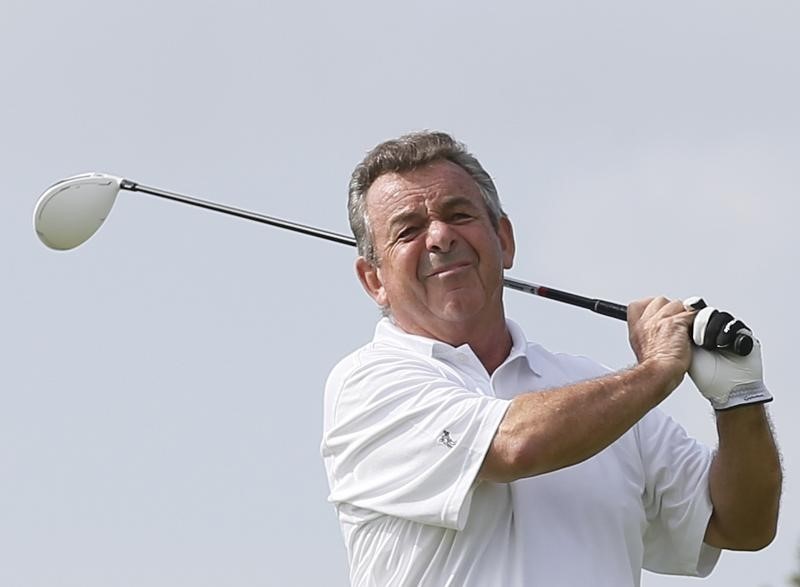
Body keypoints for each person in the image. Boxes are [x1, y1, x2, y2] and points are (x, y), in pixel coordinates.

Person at [321, 131, 782, 586]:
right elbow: (513, 445)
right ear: (373, 280)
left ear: (504, 239)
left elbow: (741, 525)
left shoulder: (603, 392)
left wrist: (739, 399)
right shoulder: (366, 385)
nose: (440, 237)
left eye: (458, 214)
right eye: (408, 231)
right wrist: (658, 369)